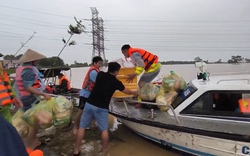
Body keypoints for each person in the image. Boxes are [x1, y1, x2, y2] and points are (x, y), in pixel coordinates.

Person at [73, 62, 138, 156]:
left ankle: (76, 150)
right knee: (104, 130)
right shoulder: (116, 82)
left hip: (90, 104)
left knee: (82, 127)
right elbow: (126, 91)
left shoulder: (100, 75)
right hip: (102, 108)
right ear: (116, 71)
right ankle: (104, 152)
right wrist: (134, 92)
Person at [14, 49, 51, 150]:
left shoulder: (21, 68)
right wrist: (43, 93)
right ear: (32, 61)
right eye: (37, 60)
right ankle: (30, 145)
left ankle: (30, 140)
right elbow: (27, 87)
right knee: (34, 121)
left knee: (29, 119)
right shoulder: (28, 70)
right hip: (29, 98)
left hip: (23, 97)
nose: (38, 62)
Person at [73, 56, 103, 135]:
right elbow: (99, 83)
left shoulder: (96, 71)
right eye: (99, 63)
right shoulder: (93, 72)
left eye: (101, 63)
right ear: (94, 63)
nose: (100, 65)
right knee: (81, 111)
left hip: (91, 94)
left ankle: (92, 124)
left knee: (93, 109)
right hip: (85, 94)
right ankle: (75, 127)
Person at [0, 53, 23, 122]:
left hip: (5, 106)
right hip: (4, 105)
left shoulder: (2, 71)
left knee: (8, 129)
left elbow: (7, 85)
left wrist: (14, 97)